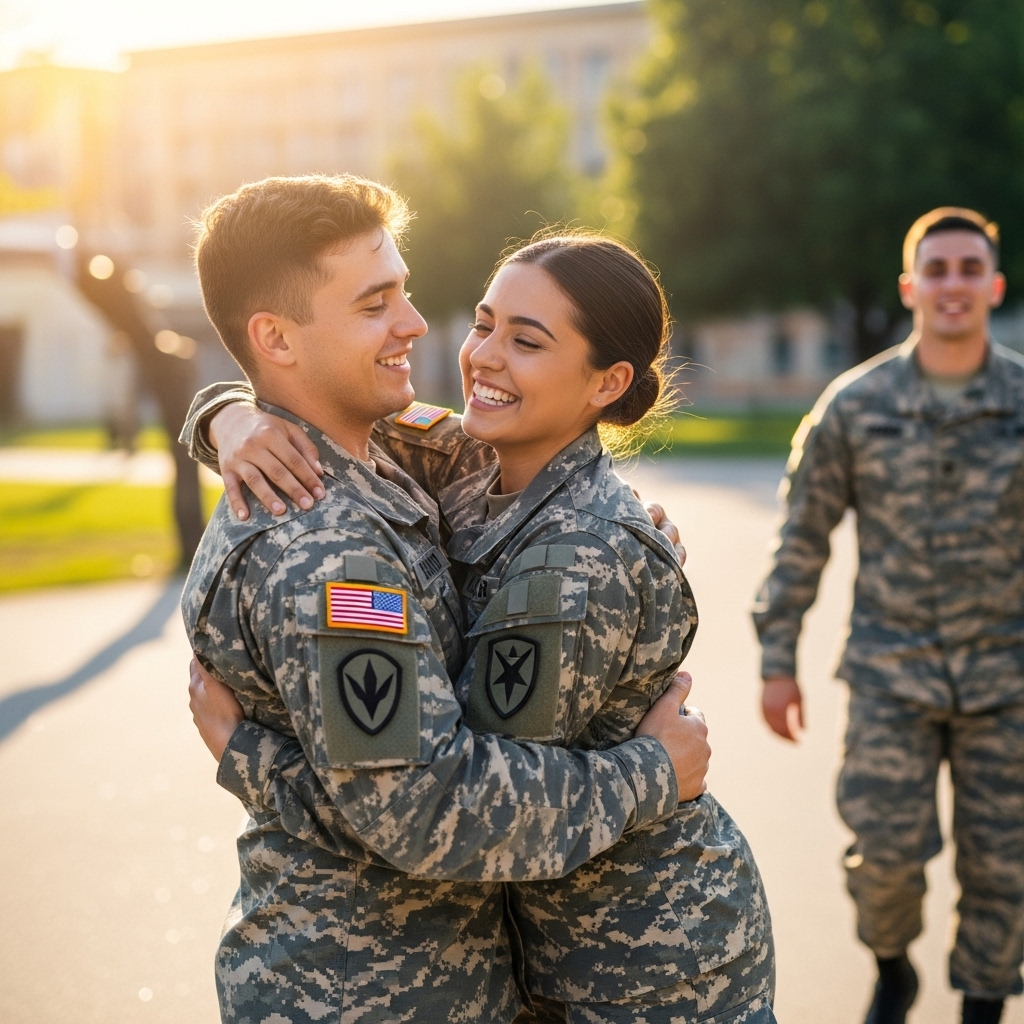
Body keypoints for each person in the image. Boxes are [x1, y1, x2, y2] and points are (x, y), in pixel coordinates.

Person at [188, 231, 775, 1023]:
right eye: (485, 323)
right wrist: (224, 417)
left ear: (608, 382)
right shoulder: (468, 456)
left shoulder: (574, 561)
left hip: (647, 967)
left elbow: (446, 808)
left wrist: (251, 758)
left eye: (526, 341)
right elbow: (316, 401)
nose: (482, 355)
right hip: (540, 958)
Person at [753, 207, 1024, 1024]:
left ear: (995, 286)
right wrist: (778, 658)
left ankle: (984, 1002)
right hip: (890, 675)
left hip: (1008, 679)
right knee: (884, 860)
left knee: (1005, 867)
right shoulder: (855, 405)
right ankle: (893, 969)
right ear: (911, 287)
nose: (953, 284)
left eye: (969, 269)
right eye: (936, 270)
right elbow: (803, 535)